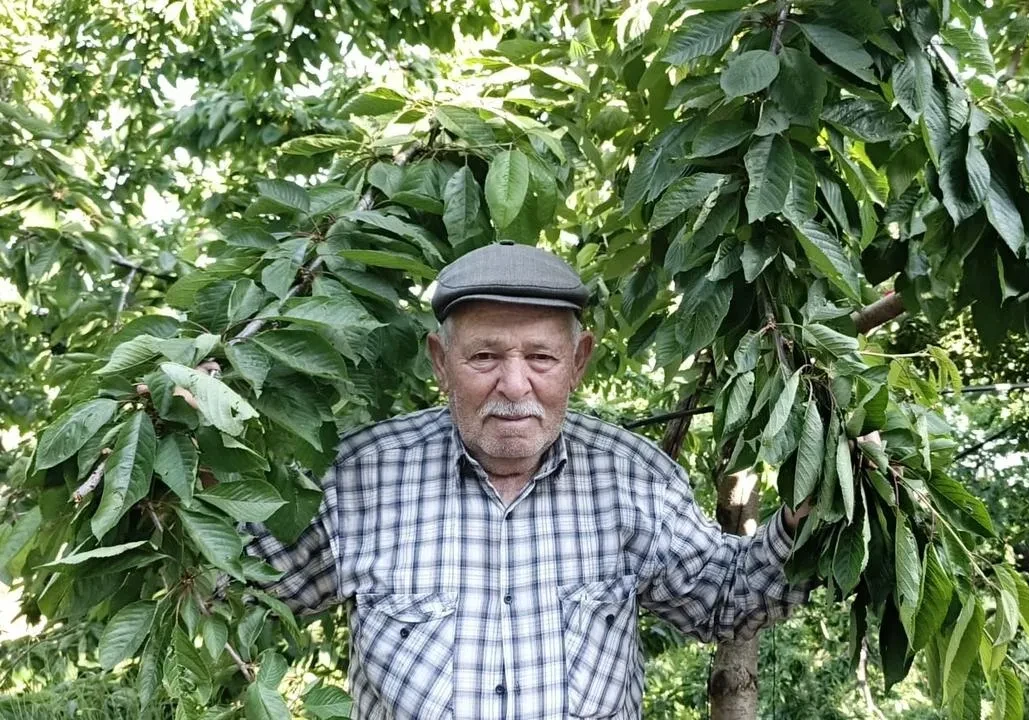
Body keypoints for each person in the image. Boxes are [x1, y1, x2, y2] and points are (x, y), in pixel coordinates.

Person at [245, 241, 812, 719]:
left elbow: (725, 599)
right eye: (485, 356)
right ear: (440, 362)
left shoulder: (630, 475)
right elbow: (246, 580)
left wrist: (805, 516)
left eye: (541, 357)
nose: (514, 386)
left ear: (578, 360)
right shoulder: (361, 477)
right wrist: (197, 460)